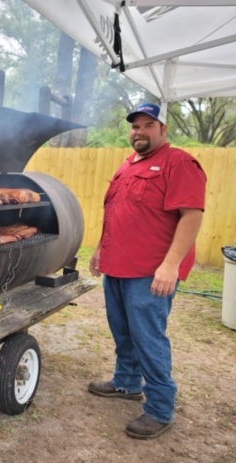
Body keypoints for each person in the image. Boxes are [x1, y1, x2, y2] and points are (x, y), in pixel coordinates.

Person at [88, 102, 206, 439]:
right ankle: (126, 383)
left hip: (150, 272)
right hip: (118, 266)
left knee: (148, 338)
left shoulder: (179, 162)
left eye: (148, 126)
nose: (139, 132)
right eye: (135, 126)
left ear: (163, 129)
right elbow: (116, 209)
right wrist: (100, 249)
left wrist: (170, 266)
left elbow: (192, 215)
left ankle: (160, 408)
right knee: (122, 331)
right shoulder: (128, 164)